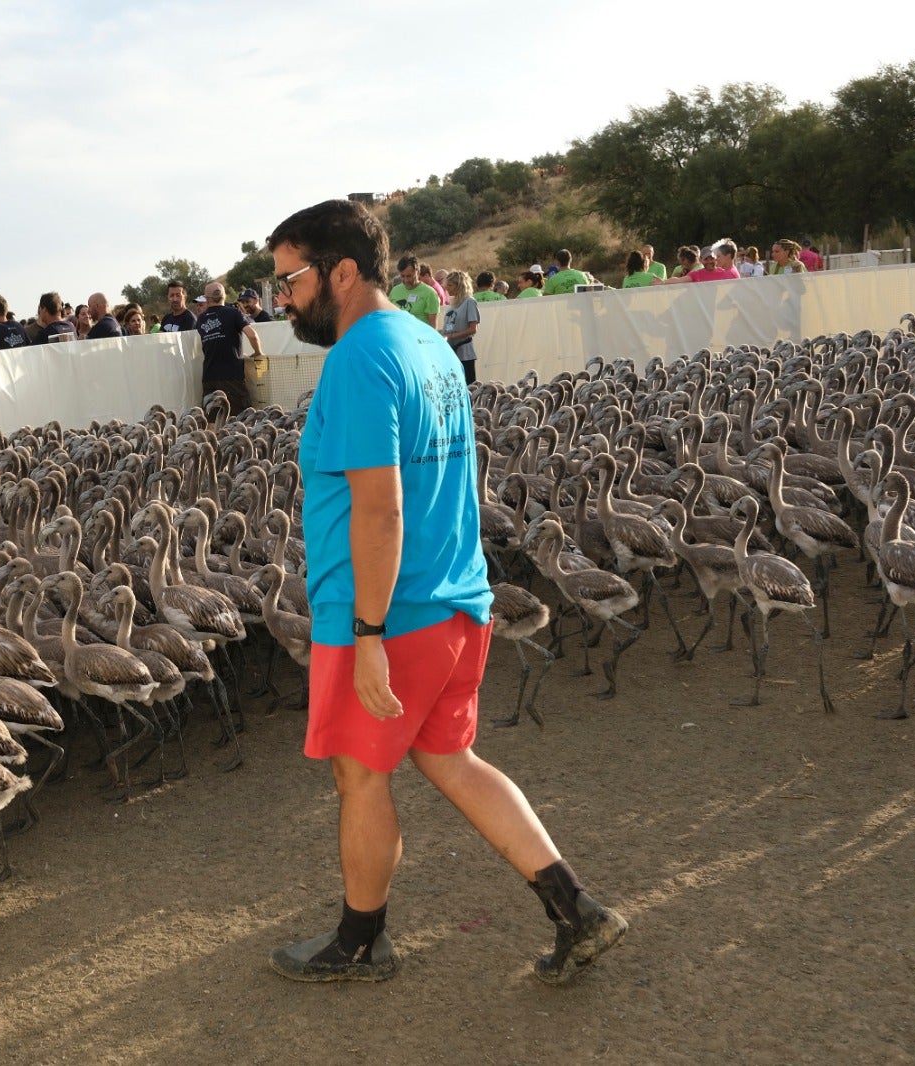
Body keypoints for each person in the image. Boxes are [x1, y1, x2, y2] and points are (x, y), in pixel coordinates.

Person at [264, 197, 627, 986]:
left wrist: (366, 633)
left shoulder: (360, 358)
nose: (281, 299)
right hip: (457, 599)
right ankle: (578, 910)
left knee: (361, 775)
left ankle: (361, 943)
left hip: (391, 616)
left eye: (289, 280)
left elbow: (382, 505)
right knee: (451, 759)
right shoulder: (428, 345)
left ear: (343, 271)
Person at [196, 281, 265, 412]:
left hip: (209, 376)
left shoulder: (201, 319)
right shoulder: (233, 313)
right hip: (232, 375)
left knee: (213, 420)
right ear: (224, 296)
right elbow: (252, 335)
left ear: (206, 298)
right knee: (243, 418)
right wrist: (258, 352)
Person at [440, 270, 481, 385]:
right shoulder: (453, 305)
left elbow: (473, 329)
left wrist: (452, 336)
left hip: (464, 352)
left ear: (459, 286)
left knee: (468, 386)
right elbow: (449, 328)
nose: (447, 288)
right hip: (451, 351)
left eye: (450, 285)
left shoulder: (469, 302)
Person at [387, 255, 440, 326]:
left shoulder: (430, 293)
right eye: (402, 276)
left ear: (417, 273)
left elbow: (433, 327)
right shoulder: (394, 291)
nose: (406, 280)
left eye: (409, 276)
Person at [659, 242, 740, 284]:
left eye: (712, 258)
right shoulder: (696, 274)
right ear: (701, 260)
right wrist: (663, 282)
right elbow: (679, 280)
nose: (709, 262)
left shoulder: (725, 272)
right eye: (706, 259)